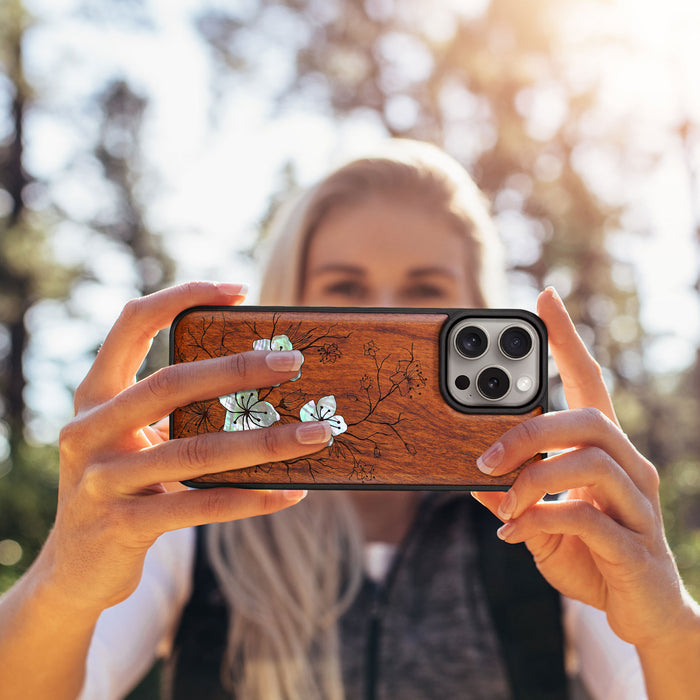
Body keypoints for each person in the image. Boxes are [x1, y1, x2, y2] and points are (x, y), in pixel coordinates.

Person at [1, 140, 699, 700]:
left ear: (477, 312)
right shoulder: (196, 516)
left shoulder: (545, 522)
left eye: (426, 291)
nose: (386, 317)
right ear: (286, 307)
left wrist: (667, 627)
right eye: (345, 292)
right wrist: (63, 582)